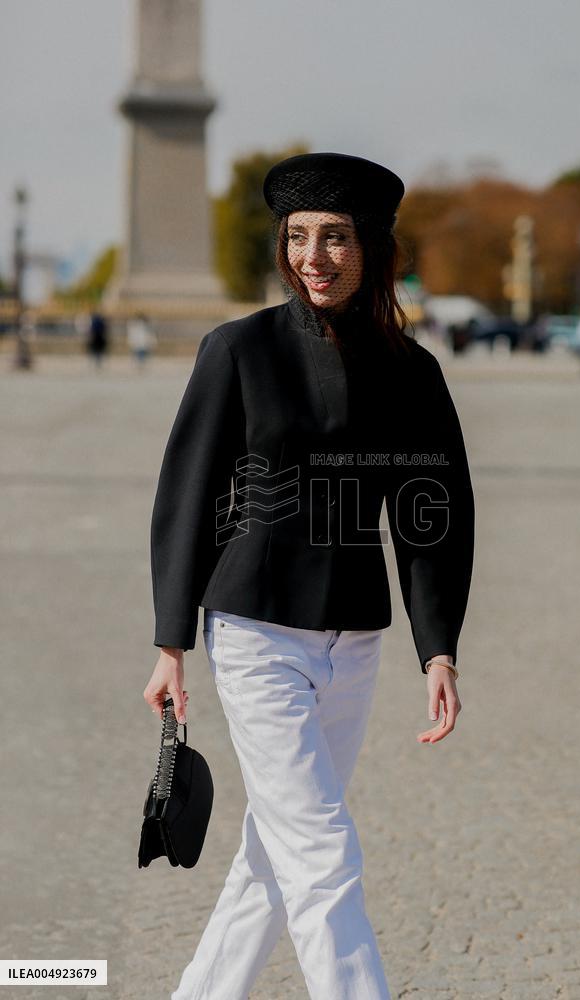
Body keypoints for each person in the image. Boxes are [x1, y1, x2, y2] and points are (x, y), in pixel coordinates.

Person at [143, 152, 476, 1000]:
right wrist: (171, 643)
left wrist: (438, 648)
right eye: (297, 237)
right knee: (322, 851)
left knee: (276, 852)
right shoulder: (237, 350)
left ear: (372, 246)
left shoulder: (412, 372)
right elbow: (186, 496)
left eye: (334, 237)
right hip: (253, 634)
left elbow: (432, 518)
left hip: (355, 643)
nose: (313, 257)